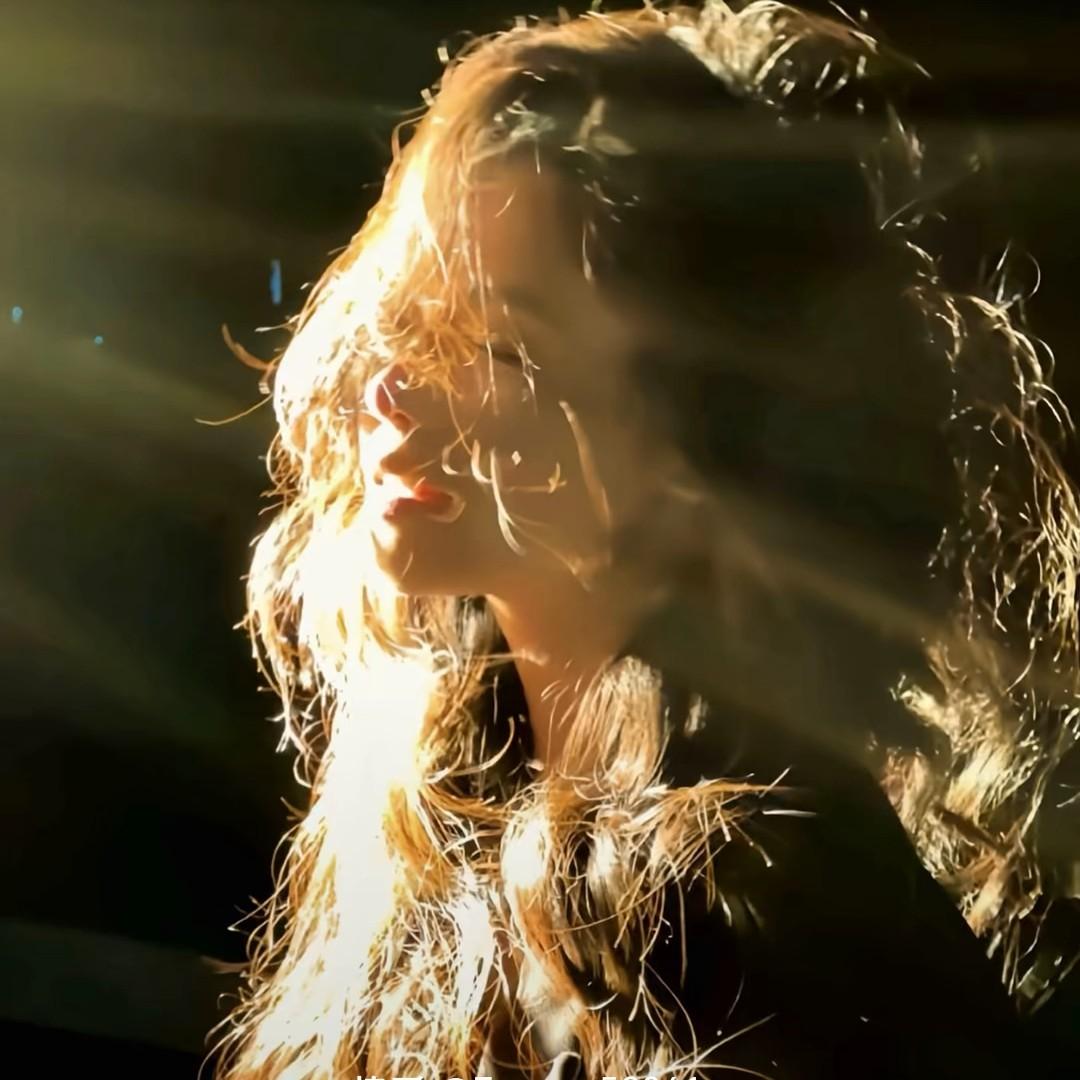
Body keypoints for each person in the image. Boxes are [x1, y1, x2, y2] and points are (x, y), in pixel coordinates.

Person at [210, 3, 1080, 1078]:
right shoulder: (453, 794)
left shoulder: (765, 926)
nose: (395, 382)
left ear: (693, 443)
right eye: (416, 315)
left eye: (501, 346)